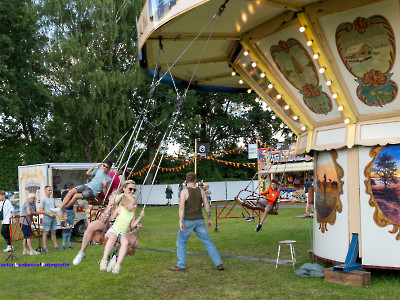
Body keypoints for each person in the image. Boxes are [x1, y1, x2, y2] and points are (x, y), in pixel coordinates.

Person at [73, 180, 141, 265]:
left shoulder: (133, 202)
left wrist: (137, 224)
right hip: (109, 223)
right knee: (91, 226)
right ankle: (82, 252)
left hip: (122, 228)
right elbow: (108, 210)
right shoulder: (115, 197)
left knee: (135, 243)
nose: (132, 191)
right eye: (130, 189)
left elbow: (132, 218)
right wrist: (107, 213)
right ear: (124, 188)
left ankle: (115, 259)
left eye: (134, 190)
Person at [169, 172, 224, 272]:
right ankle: (219, 263)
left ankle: (181, 265)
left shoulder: (184, 192)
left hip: (188, 221)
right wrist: (210, 219)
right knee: (208, 242)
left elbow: (181, 207)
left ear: (186, 181)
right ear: (195, 180)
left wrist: (180, 221)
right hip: (200, 220)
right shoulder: (202, 191)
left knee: (181, 242)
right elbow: (207, 206)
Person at [100, 194, 145, 275]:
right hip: (113, 231)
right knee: (112, 238)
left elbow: (132, 225)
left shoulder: (132, 213)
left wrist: (140, 217)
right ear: (126, 204)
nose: (135, 206)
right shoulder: (119, 209)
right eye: (133, 204)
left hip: (123, 234)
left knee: (126, 243)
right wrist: (108, 214)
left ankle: (117, 265)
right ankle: (104, 260)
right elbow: (111, 219)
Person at [39, 186, 61, 252]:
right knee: (45, 232)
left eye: (51, 190)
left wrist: (56, 212)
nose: (50, 192)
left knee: (53, 231)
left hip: (53, 217)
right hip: (47, 217)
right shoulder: (43, 199)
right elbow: (41, 210)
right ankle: (45, 247)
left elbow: (55, 207)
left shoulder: (52, 199)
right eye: (49, 190)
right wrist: (49, 214)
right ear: (45, 191)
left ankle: (55, 245)